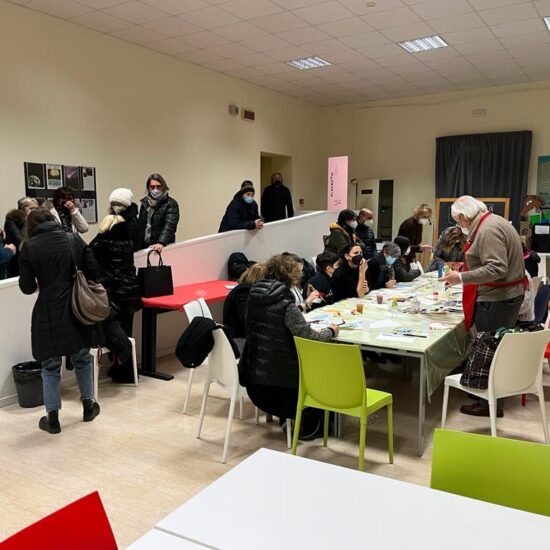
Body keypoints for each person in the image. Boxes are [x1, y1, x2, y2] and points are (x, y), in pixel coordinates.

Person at [441, 196, 526, 418]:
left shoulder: (487, 230)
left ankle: (489, 403)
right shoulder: (494, 221)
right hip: (505, 296)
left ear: (463, 216)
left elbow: (497, 268)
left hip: (497, 299)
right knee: (493, 348)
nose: (459, 225)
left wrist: (461, 277)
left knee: (489, 350)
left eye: (458, 220)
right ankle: (485, 394)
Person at [239, 253, 339, 439]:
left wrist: (302, 308)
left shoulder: (255, 294)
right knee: (325, 368)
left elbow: (275, 319)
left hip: (255, 375)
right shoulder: (285, 301)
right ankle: (313, 423)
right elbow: (310, 336)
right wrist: (331, 331)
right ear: (291, 275)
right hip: (282, 385)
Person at [18, 209, 100, 434]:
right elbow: (93, 268)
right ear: (53, 220)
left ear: (31, 226)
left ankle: (52, 419)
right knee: (82, 359)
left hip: (47, 310)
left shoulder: (29, 247)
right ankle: (88, 407)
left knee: (50, 366)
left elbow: (27, 287)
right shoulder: (72, 238)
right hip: (75, 306)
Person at [90, 189, 142, 383]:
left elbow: (91, 251)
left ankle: (123, 370)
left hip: (115, 290)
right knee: (127, 331)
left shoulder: (107, 238)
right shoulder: (130, 234)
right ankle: (126, 370)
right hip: (130, 288)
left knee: (116, 332)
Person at [223, 263, 266, 353]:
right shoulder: (244, 291)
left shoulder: (245, 289)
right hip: (238, 339)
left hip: (241, 336)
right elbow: (246, 317)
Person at [138, 173, 180, 252]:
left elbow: (170, 225)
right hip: (145, 247)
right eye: (152, 187)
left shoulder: (171, 203)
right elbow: (141, 226)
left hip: (163, 246)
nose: (155, 190)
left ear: (163, 187)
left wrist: (161, 242)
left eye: (158, 186)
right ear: (148, 188)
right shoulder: (145, 203)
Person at [4, 198, 39, 278]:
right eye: (31, 208)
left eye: (36, 208)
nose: (34, 211)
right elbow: (19, 242)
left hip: (33, 260)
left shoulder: (35, 221)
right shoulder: (11, 221)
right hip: (17, 263)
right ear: (22, 209)